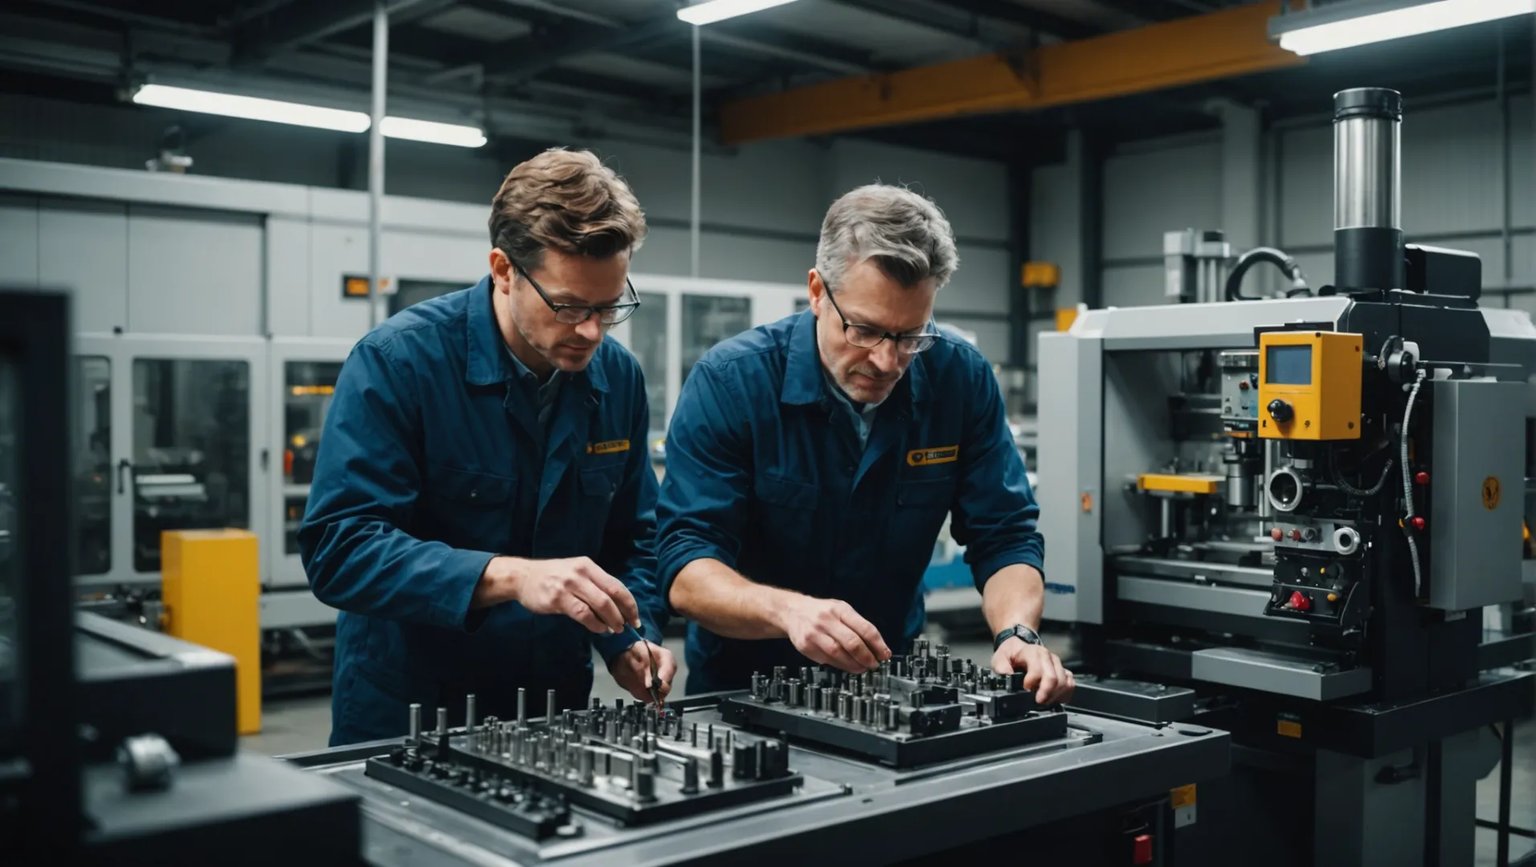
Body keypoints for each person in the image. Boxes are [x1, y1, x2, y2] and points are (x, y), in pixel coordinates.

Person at [302, 148, 676, 745]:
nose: (590, 332)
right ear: (504, 269)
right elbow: (340, 549)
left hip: (552, 707)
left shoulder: (618, 379)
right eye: (569, 306)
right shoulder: (399, 363)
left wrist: (630, 636)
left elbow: (637, 537)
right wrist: (506, 576)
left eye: (609, 308)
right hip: (410, 713)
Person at [657, 184, 1073, 705]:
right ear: (816, 291)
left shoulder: (959, 379)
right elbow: (686, 562)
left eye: (910, 337)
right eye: (865, 330)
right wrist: (789, 612)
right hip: (743, 690)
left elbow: (1004, 532)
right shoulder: (732, 382)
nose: (886, 362)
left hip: (890, 683)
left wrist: (1018, 633)